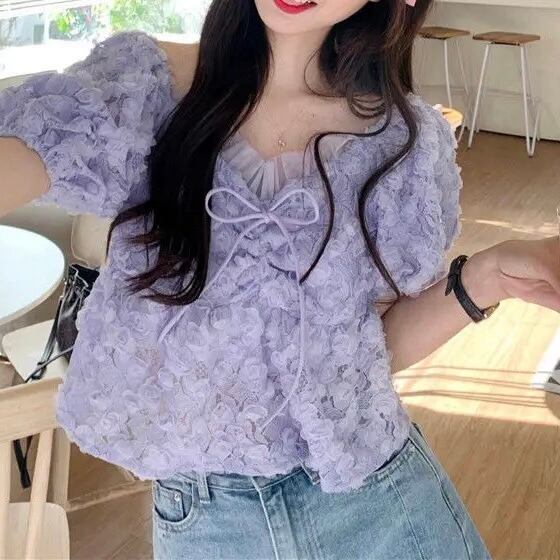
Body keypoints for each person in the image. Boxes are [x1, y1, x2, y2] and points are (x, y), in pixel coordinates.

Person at [1, 0, 559, 558]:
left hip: (376, 502)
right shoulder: (142, 87)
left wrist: (489, 277)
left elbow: (366, 349)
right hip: (207, 521)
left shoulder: (403, 145)